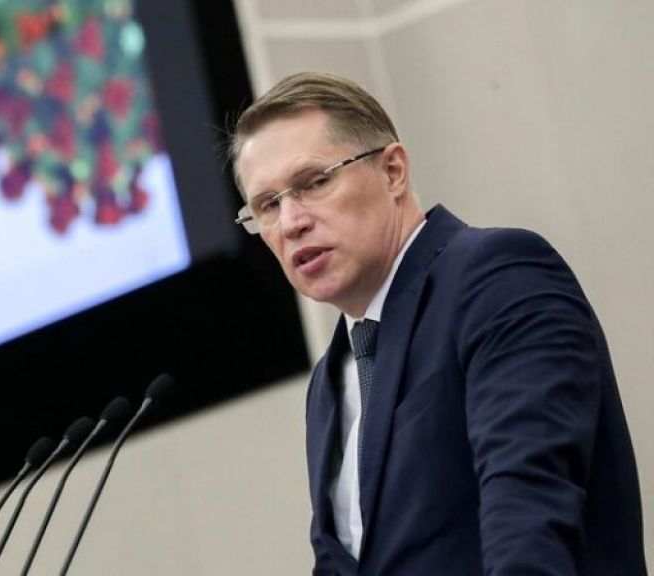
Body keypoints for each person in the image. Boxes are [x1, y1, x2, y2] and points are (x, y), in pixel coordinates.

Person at [229, 72, 646, 575]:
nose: (292, 221)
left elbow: (529, 519)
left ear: (393, 171)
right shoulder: (329, 383)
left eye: (315, 182)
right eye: (268, 204)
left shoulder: (498, 277)